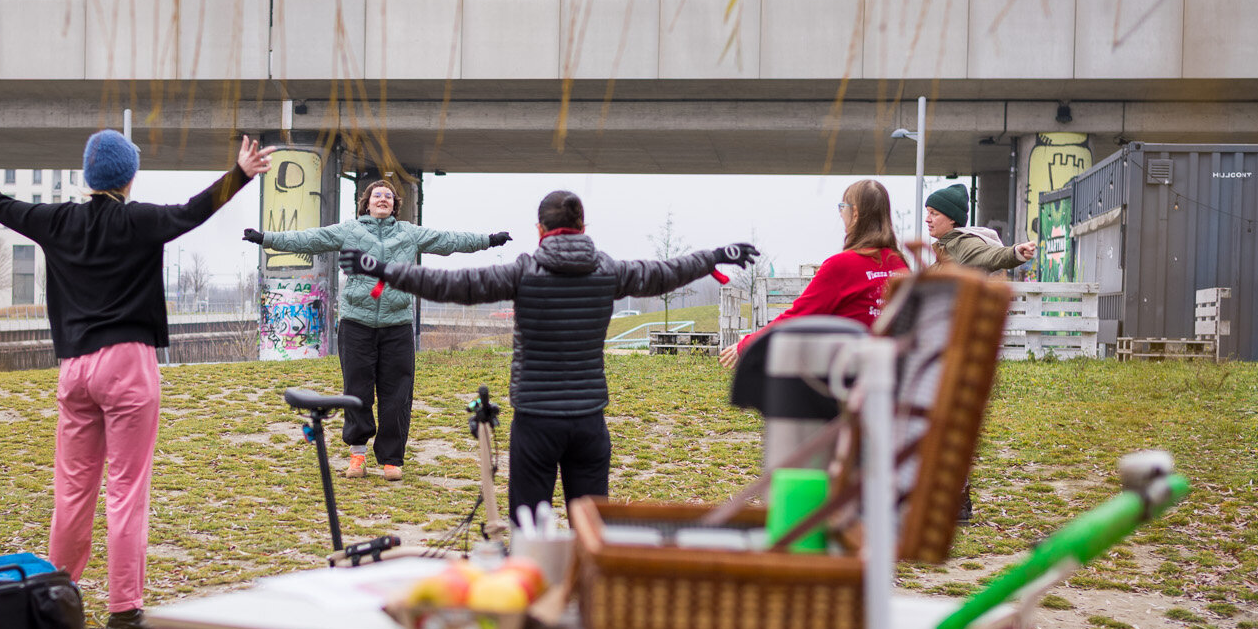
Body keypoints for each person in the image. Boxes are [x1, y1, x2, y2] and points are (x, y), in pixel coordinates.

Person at [0, 125, 275, 629]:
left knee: (72, 488)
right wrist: (239, 175)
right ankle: (124, 610)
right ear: (129, 177)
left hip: (75, 369)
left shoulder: (57, 220)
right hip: (128, 365)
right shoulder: (140, 220)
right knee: (126, 489)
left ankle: (54, 600)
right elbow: (193, 211)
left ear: (88, 175)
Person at [342, 190, 755, 519]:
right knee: (590, 527)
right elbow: (666, 272)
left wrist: (382, 268)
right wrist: (715, 257)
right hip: (589, 420)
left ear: (539, 228)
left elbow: (453, 284)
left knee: (527, 525)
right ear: (583, 227)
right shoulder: (608, 270)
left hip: (535, 419)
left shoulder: (524, 271)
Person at [244, 178, 507, 480]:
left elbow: (449, 240)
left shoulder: (409, 233)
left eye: (388, 196)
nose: (383, 199)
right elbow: (309, 239)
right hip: (357, 323)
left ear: (395, 205)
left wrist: (488, 240)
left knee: (398, 394)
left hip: (397, 325)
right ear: (366, 203)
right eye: (377, 195)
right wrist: (266, 238)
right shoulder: (349, 230)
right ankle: (357, 455)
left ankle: (392, 460)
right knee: (357, 391)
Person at [720, 179, 907, 368]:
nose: (841, 213)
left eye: (843, 207)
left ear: (856, 213)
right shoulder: (901, 266)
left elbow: (797, 318)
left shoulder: (841, 265)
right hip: (896, 374)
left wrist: (748, 344)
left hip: (849, 376)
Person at [924, 182, 1034, 272]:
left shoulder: (963, 243)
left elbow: (988, 255)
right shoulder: (947, 246)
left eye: (934, 213)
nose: (927, 219)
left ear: (952, 218)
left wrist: (1015, 253)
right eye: (928, 212)